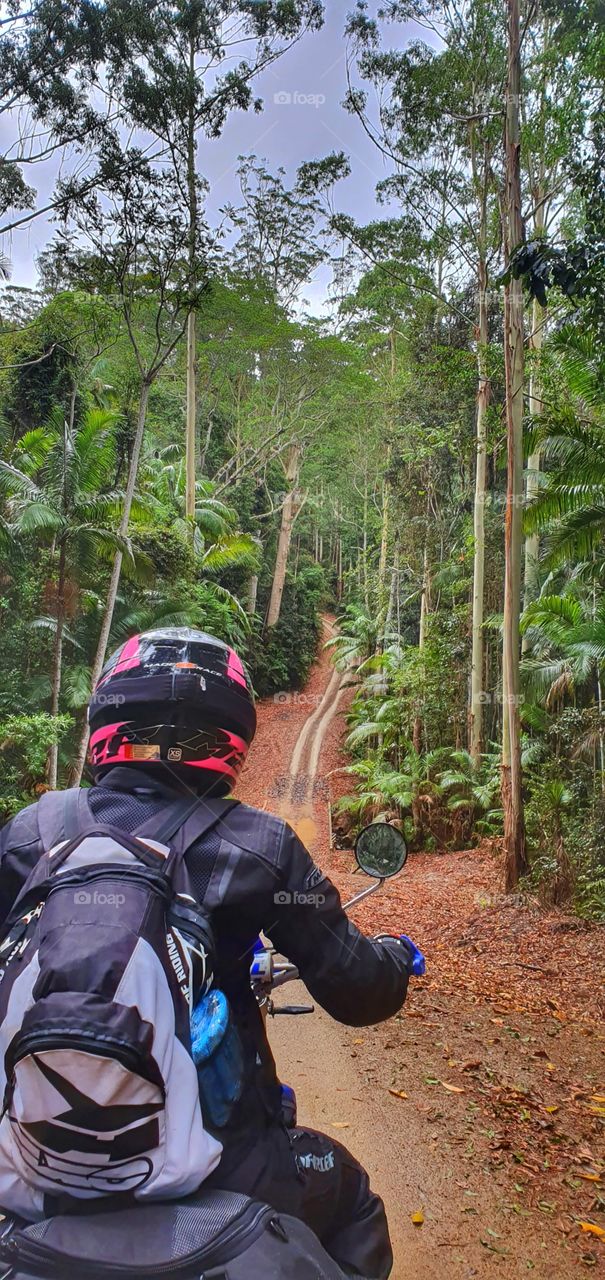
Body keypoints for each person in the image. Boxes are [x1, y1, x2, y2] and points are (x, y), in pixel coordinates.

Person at [0, 628, 420, 1280]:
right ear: (229, 737)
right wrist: (394, 958)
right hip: (226, 1159)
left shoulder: (33, 832)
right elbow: (357, 991)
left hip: (34, 1157)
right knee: (351, 1198)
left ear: (108, 723)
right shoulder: (258, 846)